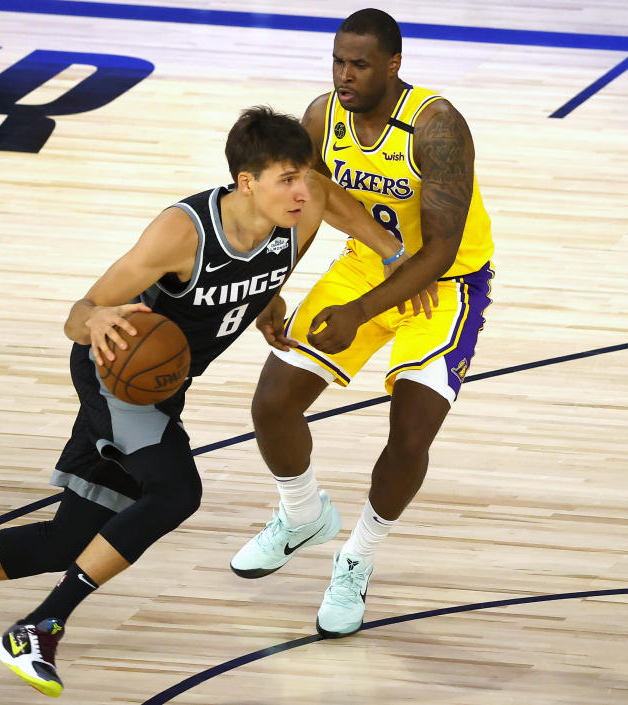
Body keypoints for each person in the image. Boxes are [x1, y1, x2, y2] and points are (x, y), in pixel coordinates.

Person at [0, 106, 426, 697]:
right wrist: (95, 320)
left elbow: (337, 205)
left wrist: (390, 253)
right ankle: (39, 628)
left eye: (305, 175)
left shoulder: (301, 207)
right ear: (246, 183)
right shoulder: (183, 232)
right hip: (114, 377)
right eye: (288, 180)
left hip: (163, 389)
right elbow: (78, 314)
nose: (306, 192)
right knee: (176, 491)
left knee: (68, 542)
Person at [230, 8, 495, 639]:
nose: (345, 75)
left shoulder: (437, 128)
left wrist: (358, 314)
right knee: (272, 404)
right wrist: (274, 280)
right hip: (366, 264)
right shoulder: (324, 116)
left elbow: (436, 249)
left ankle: (357, 557)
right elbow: (303, 202)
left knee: (410, 431)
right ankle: (301, 515)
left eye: (360, 64)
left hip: (447, 283)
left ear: (394, 64)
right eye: (338, 62)